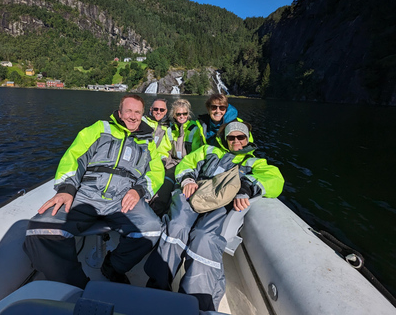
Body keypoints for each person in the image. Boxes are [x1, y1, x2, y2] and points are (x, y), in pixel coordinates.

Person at [23, 94, 164, 288]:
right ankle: (75, 286)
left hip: (124, 197)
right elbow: (74, 156)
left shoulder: (148, 142)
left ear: (142, 115)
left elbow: (156, 171)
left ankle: (114, 266)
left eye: (137, 112)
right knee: (41, 228)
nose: (133, 116)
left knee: (152, 229)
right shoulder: (100, 129)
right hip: (86, 193)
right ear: (120, 112)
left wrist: (139, 190)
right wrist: (67, 189)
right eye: (129, 111)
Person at [144, 120, 284, 311]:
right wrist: (187, 179)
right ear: (225, 139)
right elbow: (186, 163)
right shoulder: (208, 150)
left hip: (222, 203)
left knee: (204, 237)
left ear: (247, 138)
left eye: (240, 137)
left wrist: (246, 188)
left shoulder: (254, 162)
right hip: (194, 193)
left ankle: (197, 302)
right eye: (231, 137)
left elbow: (274, 179)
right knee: (176, 226)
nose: (236, 140)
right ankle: (157, 287)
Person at [149, 99, 202, 216]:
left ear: (188, 115)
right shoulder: (170, 130)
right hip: (171, 165)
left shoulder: (194, 129)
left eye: (185, 114)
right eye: (179, 114)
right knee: (163, 187)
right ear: (174, 115)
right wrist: (163, 164)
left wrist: (184, 167)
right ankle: (155, 213)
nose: (182, 116)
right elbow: (164, 150)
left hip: (187, 167)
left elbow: (196, 154)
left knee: (178, 191)